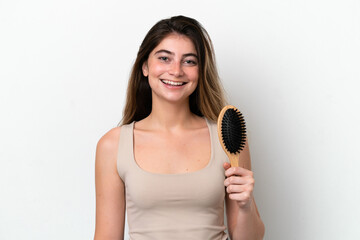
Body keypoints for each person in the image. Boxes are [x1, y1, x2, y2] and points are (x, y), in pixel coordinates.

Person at [94, 15, 265, 240]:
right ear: (145, 66)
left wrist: (244, 205)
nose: (176, 71)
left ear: (200, 71)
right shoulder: (113, 145)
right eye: (165, 58)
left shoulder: (226, 138)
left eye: (189, 61)